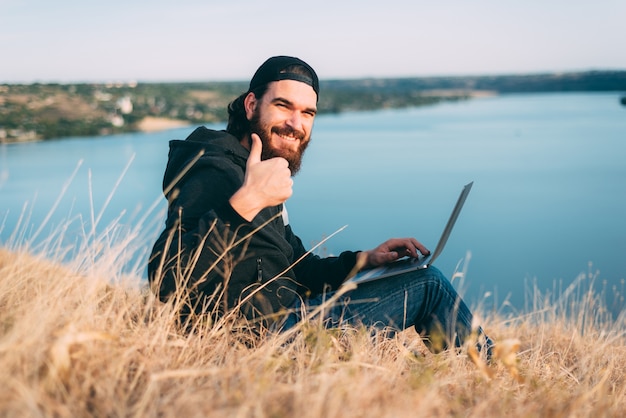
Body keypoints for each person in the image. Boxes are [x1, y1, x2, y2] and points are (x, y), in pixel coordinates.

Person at [148, 56, 493, 355]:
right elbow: (167, 282)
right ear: (251, 105)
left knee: (415, 292)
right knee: (429, 285)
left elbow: (297, 269)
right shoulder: (218, 171)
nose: (296, 125)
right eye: (283, 106)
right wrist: (246, 202)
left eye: (307, 113)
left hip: (286, 317)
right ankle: (497, 378)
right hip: (260, 338)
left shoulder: (258, 171)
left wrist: (364, 261)